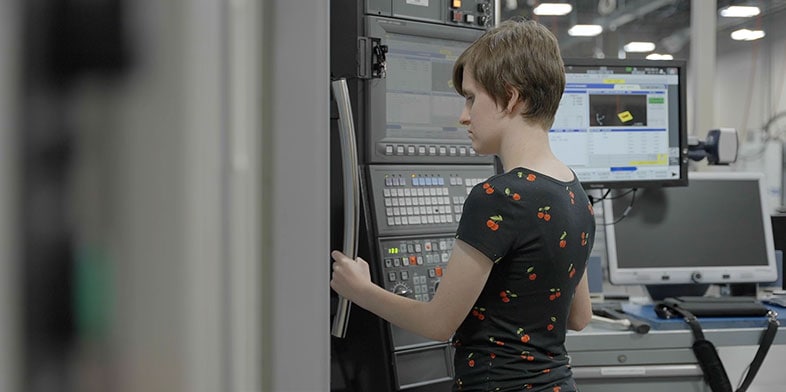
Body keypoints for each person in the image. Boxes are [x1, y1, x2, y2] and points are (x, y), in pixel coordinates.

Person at [331, 18, 596, 392]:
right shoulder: (573, 190)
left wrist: (359, 289)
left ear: (511, 97)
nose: (463, 116)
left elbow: (438, 323)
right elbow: (580, 317)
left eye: (471, 98)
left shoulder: (499, 197)